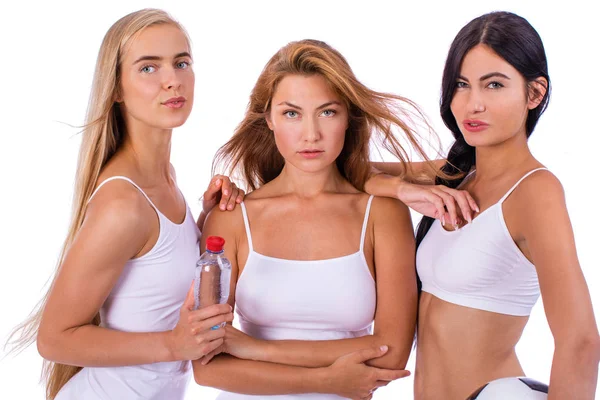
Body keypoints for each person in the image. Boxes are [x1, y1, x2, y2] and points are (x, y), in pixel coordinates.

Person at [190, 39, 458, 400]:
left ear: (348, 116)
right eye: (291, 113)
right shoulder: (232, 217)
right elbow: (207, 368)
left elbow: (391, 353)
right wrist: (325, 381)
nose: (311, 134)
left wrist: (256, 349)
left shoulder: (382, 213)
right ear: (268, 118)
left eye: (327, 112)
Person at [5, 9, 244, 400]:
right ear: (116, 88)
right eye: (148, 68)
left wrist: (206, 218)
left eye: (181, 62)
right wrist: (172, 345)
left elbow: (153, 279)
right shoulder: (124, 202)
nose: (173, 80)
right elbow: (54, 340)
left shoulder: (164, 176)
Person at [366, 11, 600, 399]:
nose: (472, 104)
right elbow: (335, 170)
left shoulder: (535, 192)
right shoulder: (456, 174)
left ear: (535, 93)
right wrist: (402, 190)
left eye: (493, 84)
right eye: (461, 85)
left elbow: (580, 341)